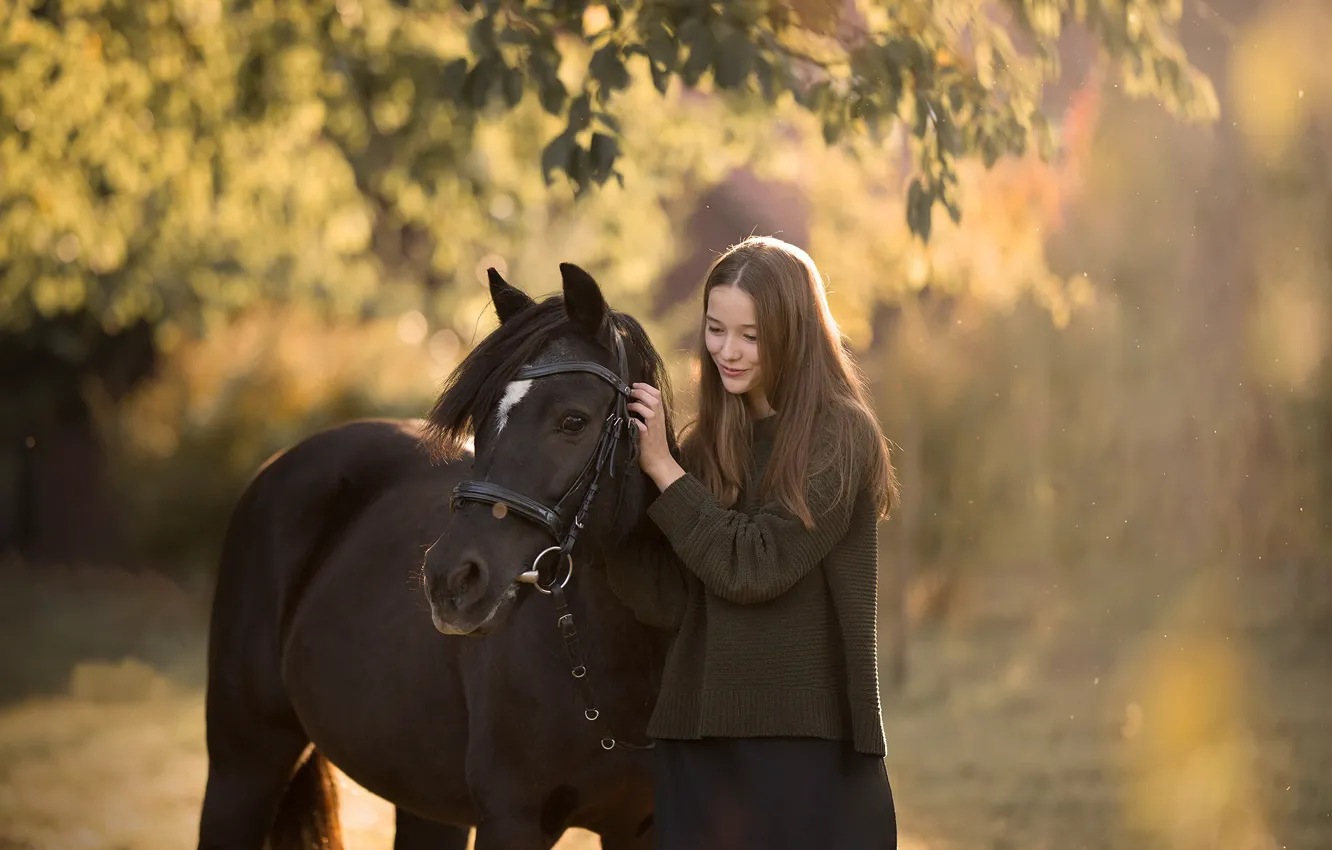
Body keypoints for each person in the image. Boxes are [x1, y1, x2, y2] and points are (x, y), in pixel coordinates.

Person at [605, 235, 901, 850]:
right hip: (697, 741)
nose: (728, 352)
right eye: (716, 330)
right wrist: (610, 513)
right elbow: (673, 600)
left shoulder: (841, 435)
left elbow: (754, 566)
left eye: (752, 335)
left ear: (793, 332)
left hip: (805, 751)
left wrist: (664, 470)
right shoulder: (707, 442)